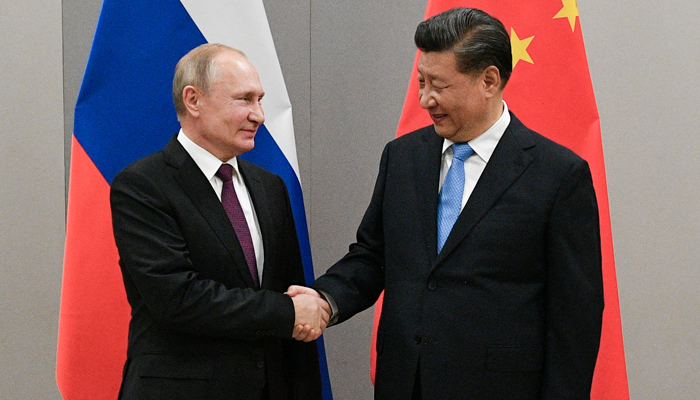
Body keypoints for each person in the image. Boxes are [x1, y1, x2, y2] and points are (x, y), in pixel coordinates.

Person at [289, 7, 604, 399]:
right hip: (404, 385)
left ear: (489, 80)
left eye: (438, 85)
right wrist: (325, 299)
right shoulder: (402, 157)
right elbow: (374, 256)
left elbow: (575, 320)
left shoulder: (558, 175)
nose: (424, 99)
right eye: (421, 81)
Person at [110, 43, 328, 400]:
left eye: (260, 100)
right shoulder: (143, 185)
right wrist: (287, 311)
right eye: (244, 99)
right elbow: (178, 298)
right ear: (193, 100)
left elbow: (291, 297)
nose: (258, 115)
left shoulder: (270, 187)